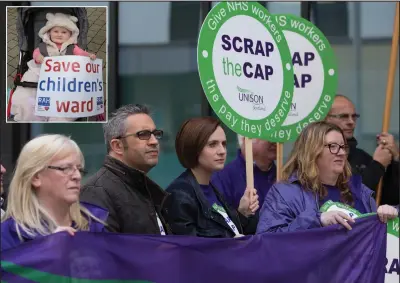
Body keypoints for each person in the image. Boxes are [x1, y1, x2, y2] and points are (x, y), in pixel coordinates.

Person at [256, 121, 398, 234]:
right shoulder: (285, 193)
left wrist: (389, 214)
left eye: (343, 147)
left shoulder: (360, 191)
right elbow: (267, 240)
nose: (341, 153)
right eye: (333, 146)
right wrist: (318, 221)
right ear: (312, 151)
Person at [1, 134, 108, 252]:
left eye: (79, 169)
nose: (77, 176)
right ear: (36, 177)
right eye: (66, 168)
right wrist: (45, 251)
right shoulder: (8, 236)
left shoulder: (95, 224)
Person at [80, 104, 171, 235]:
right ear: (117, 145)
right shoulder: (96, 192)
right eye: (143, 134)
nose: (154, 141)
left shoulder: (142, 186)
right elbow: (98, 251)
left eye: (155, 134)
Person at [166, 117, 259, 238]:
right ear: (193, 148)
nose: (222, 151)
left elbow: (232, 232)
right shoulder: (180, 195)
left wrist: (242, 214)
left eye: (224, 144)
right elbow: (190, 249)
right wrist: (227, 244)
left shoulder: (212, 189)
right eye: (212, 144)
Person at [11, 12, 97, 122]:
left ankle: (59, 117)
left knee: (69, 98)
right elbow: (36, 53)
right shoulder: (43, 46)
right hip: (41, 72)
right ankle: (31, 114)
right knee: (28, 92)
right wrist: (38, 57)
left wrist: (89, 55)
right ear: (49, 32)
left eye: (64, 32)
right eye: (55, 31)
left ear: (70, 34)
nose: (59, 34)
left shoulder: (72, 48)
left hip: (65, 77)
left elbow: (81, 54)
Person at [326, 95, 399, 205]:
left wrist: (395, 159)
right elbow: (347, 199)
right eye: (344, 116)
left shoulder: (362, 157)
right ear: (326, 119)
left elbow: (392, 197)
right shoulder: (319, 156)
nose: (351, 122)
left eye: (354, 116)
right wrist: (377, 165)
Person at [212, 134, 276, 211]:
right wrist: (242, 216)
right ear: (246, 140)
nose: (276, 140)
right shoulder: (222, 179)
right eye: (270, 134)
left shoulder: (285, 177)